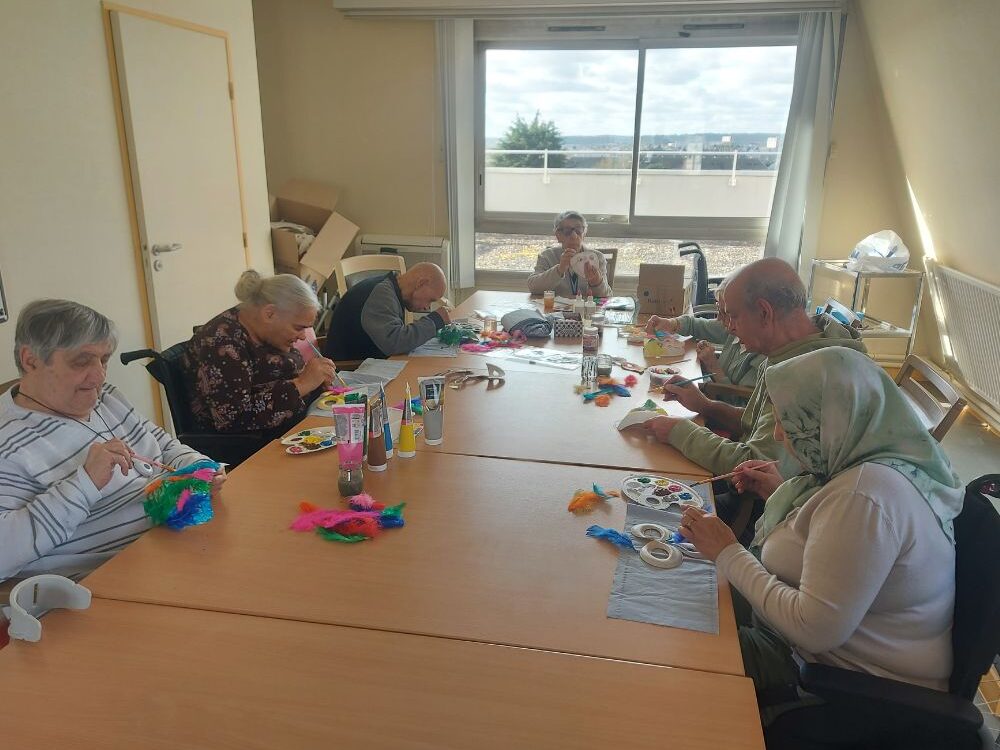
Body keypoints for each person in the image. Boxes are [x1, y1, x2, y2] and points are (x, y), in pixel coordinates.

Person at [677, 347, 963, 723]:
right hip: (806, 645)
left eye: (787, 421)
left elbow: (811, 630)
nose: (779, 433)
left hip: (834, 683)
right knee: (678, 585)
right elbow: (831, 533)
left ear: (827, 422)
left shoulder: (865, 496)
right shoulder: (870, 463)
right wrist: (782, 492)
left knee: (674, 639)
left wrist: (728, 551)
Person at [0, 299, 225, 584]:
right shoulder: (8, 443)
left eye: (104, 359)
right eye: (81, 361)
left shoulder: (106, 397)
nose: (99, 376)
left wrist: (198, 467)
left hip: (169, 545)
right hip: (105, 582)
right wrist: (85, 483)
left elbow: (164, 445)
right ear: (30, 360)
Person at [642, 258, 867, 481]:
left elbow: (759, 467)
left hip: (770, 509)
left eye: (734, 316)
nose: (729, 327)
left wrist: (680, 432)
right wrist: (705, 405)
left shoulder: (803, 375)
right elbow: (756, 425)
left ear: (764, 312)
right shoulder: (791, 349)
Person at [183, 270, 336, 436]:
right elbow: (233, 418)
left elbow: (276, 376)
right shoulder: (221, 344)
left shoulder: (265, 331)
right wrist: (303, 384)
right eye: (298, 327)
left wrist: (316, 380)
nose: (302, 336)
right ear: (269, 314)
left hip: (293, 427)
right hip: (249, 446)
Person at [645, 277, 765, 404]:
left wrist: (712, 365)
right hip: (708, 398)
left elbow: (740, 408)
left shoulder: (762, 356)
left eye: (726, 313)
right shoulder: (733, 325)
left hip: (719, 413)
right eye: (719, 309)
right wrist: (670, 323)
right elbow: (694, 324)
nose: (719, 319)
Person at [324, 262, 450, 361]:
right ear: (421, 283)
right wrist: (435, 321)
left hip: (368, 362)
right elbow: (394, 343)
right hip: (350, 371)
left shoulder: (389, 289)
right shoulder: (381, 295)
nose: (427, 307)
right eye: (430, 300)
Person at [527, 211, 612, 298]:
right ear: (558, 235)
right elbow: (533, 287)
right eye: (567, 231)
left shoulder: (596, 258)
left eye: (578, 230)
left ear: (584, 234)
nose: (574, 236)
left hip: (585, 309)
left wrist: (596, 282)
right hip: (555, 310)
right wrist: (560, 269)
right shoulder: (547, 256)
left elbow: (606, 296)